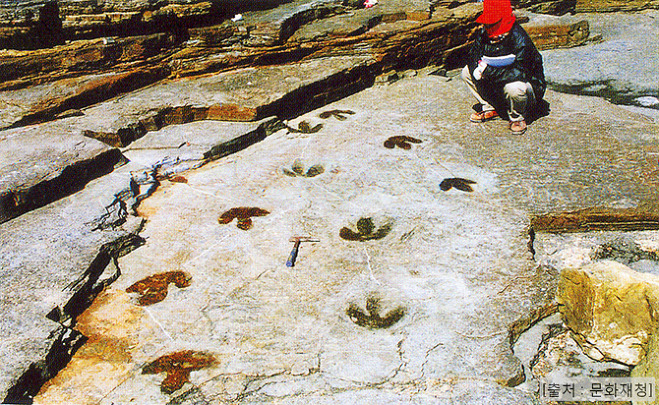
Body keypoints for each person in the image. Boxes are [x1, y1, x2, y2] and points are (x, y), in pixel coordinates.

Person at [461, 0, 546, 135]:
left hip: (527, 90)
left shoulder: (520, 39)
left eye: (493, 24)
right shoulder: (484, 34)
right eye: (487, 23)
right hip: (499, 85)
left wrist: (489, 71)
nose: (489, 28)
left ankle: (517, 117)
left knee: (515, 87)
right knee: (466, 72)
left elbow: (520, 73)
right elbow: (472, 56)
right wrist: (477, 70)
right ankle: (490, 107)